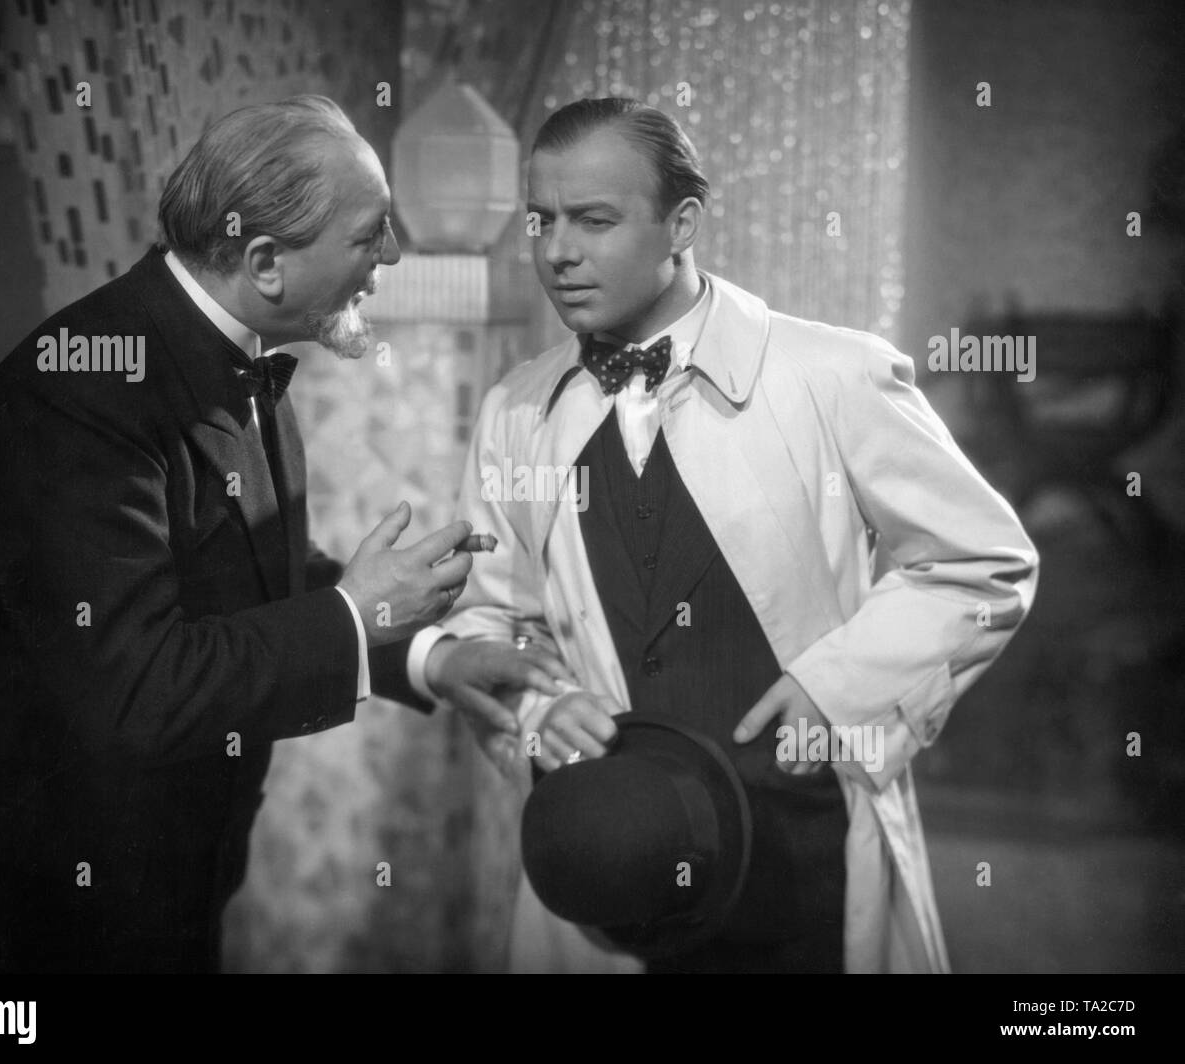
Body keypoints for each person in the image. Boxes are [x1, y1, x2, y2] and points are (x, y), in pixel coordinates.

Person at [0, 95, 564, 974]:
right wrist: (356, 615)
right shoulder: (76, 397)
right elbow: (140, 688)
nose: (393, 255)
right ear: (265, 262)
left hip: (161, 893)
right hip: (17, 915)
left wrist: (433, 653)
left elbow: (256, 576)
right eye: (371, 234)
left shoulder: (242, 359)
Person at [444, 97, 1040, 973]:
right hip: (620, 859)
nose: (557, 252)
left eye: (594, 221)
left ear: (682, 223)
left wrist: (839, 691)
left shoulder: (834, 376)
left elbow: (980, 564)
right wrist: (541, 712)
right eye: (542, 221)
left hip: (803, 851)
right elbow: (492, 626)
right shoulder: (515, 411)